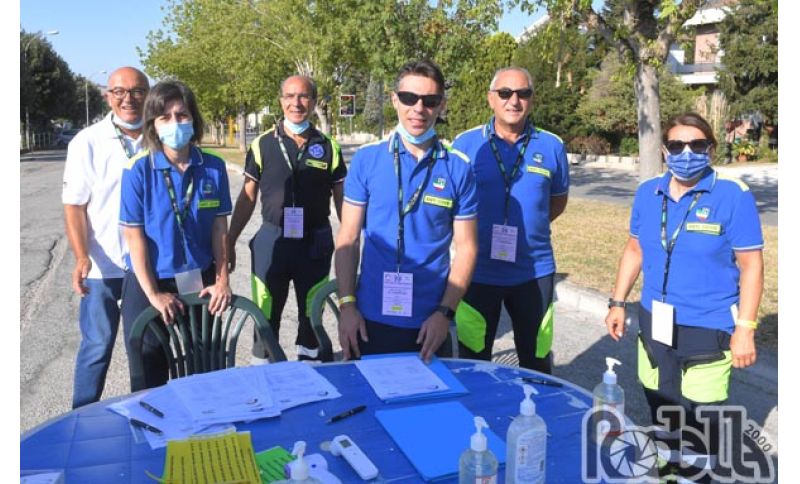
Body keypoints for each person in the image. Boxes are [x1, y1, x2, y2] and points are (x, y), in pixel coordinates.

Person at [604, 112, 763, 478]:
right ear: (664, 151)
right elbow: (634, 250)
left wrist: (746, 328)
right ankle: (667, 470)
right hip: (655, 320)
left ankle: (695, 475)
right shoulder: (648, 192)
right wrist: (617, 302)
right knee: (661, 406)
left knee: (701, 420)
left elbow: (752, 265)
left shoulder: (732, 195)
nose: (686, 153)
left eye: (697, 144)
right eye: (677, 145)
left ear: (711, 149)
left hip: (708, 326)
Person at [335, 59, 478, 363]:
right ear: (394, 100)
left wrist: (445, 313)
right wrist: (347, 306)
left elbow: (467, 247)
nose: (418, 108)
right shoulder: (366, 159)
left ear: (442, 105)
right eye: (409, 98)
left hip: (430, 324)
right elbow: (348, 239)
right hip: (370, 319)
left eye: (430, 100)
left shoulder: (459, 167)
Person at [451, 67, 569, 373]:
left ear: (532, 99)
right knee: (473, 361)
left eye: (523, 93)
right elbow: (452, 205)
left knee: (536, 361)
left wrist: (529, 227)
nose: (514, 101)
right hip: (477, 272)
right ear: (490, 98)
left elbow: (557, 202)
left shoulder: (552, 145)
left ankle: (534, 405)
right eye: (505, 93)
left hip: (533, 272)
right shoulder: (465, 144)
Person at [119, 80, 233, 390]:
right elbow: (134, 238)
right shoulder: (137, 170)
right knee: (149, 371)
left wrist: (222, 280)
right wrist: (154, 295)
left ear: (193, 119)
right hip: (149, 280)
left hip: (198, 279)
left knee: (204, 367)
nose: (175, 123)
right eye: (165, 117)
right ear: (153, 125)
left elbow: (219, 229)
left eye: (182, 115)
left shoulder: (213, 167)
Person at [228, 75, 346, 362]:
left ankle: (310, 369)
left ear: (314, 102)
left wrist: (351, 242)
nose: (297, 103)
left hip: (315, 242)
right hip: (273, 240)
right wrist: (229, 241)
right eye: (290, 96)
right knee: (265, 315)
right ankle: (263, 370)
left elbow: (342, 200)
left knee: (311, 317)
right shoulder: (262, 144)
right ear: (281, 101)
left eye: (304, 96)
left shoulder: (328, 146)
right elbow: (247, 197)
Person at [62, 67, 150, 408]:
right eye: (119, 92)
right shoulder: (87, 142)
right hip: (103, 266)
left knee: (144, 348)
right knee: (97, 346)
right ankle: (80, 415)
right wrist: (82, 256)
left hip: (146, 266)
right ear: (107, 96)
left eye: (137, 91)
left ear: (148, 94)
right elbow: (74, 206)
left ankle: (147, 415)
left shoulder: (159, 135)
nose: (129, 99)